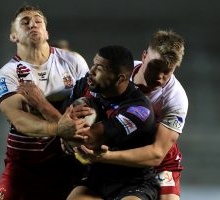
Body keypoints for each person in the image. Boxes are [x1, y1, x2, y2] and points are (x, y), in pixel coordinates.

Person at [20, 45, 160, 200]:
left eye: (100, 68)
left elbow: (86, 139)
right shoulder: (85, 86)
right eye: (93, 64)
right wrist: (65, 134)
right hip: (97, 177)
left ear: (119, 78)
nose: (91, 71)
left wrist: (41, 104)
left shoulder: (138, 109)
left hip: (134, 182)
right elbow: (64, 123)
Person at [78, 30, 188, 200]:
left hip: (155, 158)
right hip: (113, 149)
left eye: (167, 71)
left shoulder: (176, 99)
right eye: (155, 67)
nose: (159, 76)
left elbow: (157, 153)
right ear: (144, 56)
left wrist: (104, 156)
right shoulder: (118, 72)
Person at [0, 4, 89, 200]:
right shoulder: (7, 74)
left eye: (38, 20)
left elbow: (89, 108)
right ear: (14, 36)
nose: (32, 24)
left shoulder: (74, 62)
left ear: (46, 33)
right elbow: (19, 120)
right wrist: (58, 129)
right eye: (25, 22)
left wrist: (44, 106)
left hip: (67, 163)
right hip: (25, 165)